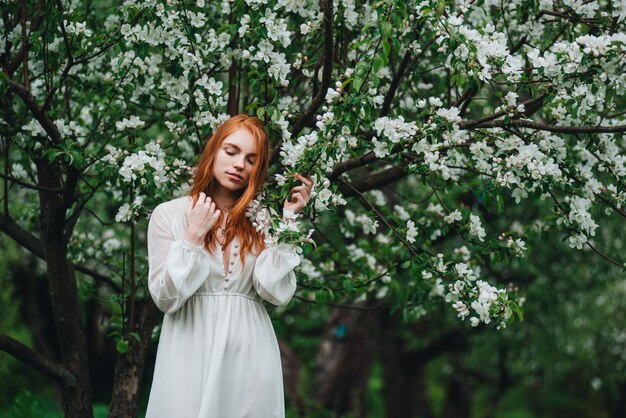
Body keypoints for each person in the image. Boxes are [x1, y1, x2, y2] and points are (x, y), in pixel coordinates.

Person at [145, 114, 313, 418]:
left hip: (250, 352)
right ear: (214, 150)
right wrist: (193, 236)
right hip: (188, 348)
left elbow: (274, 292)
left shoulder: (262, 221)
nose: (239, 165)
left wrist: (288, 221)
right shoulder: (169, 215)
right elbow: (165, 298)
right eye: (231, 152)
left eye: (251, 160)